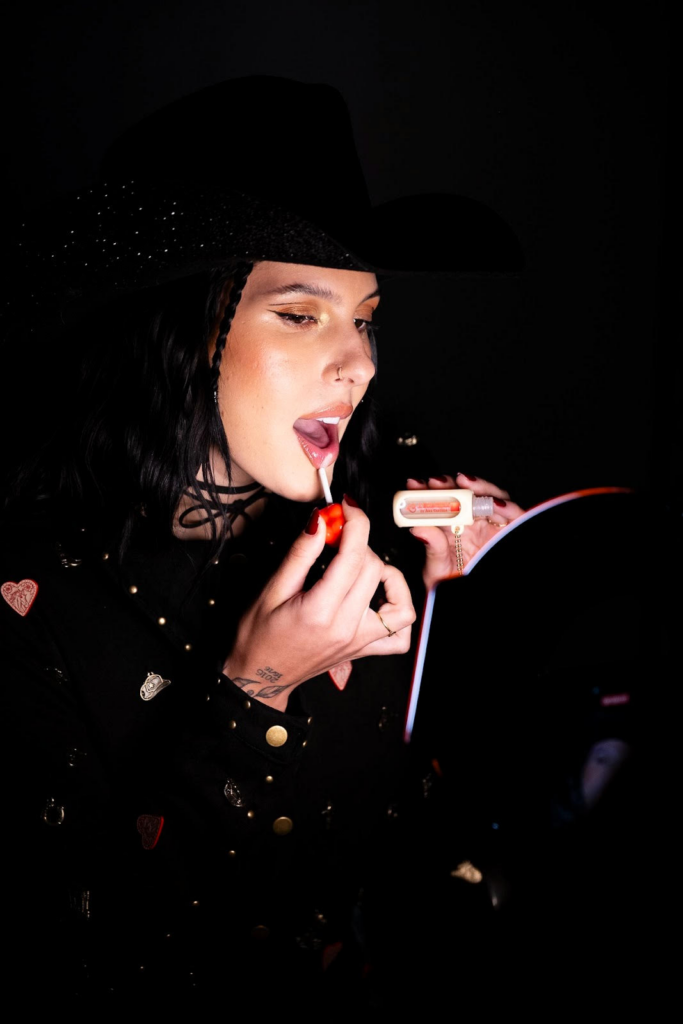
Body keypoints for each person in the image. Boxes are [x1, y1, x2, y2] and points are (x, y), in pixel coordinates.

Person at [0, 76, 524, 1010]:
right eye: (299, 314)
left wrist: (469, 609)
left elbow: (446, 849)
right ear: (181, 328)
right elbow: (84, 958)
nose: (357, 363)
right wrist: (256, 692)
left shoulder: (394, 505)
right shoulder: (29, 595)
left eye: (365, 320)